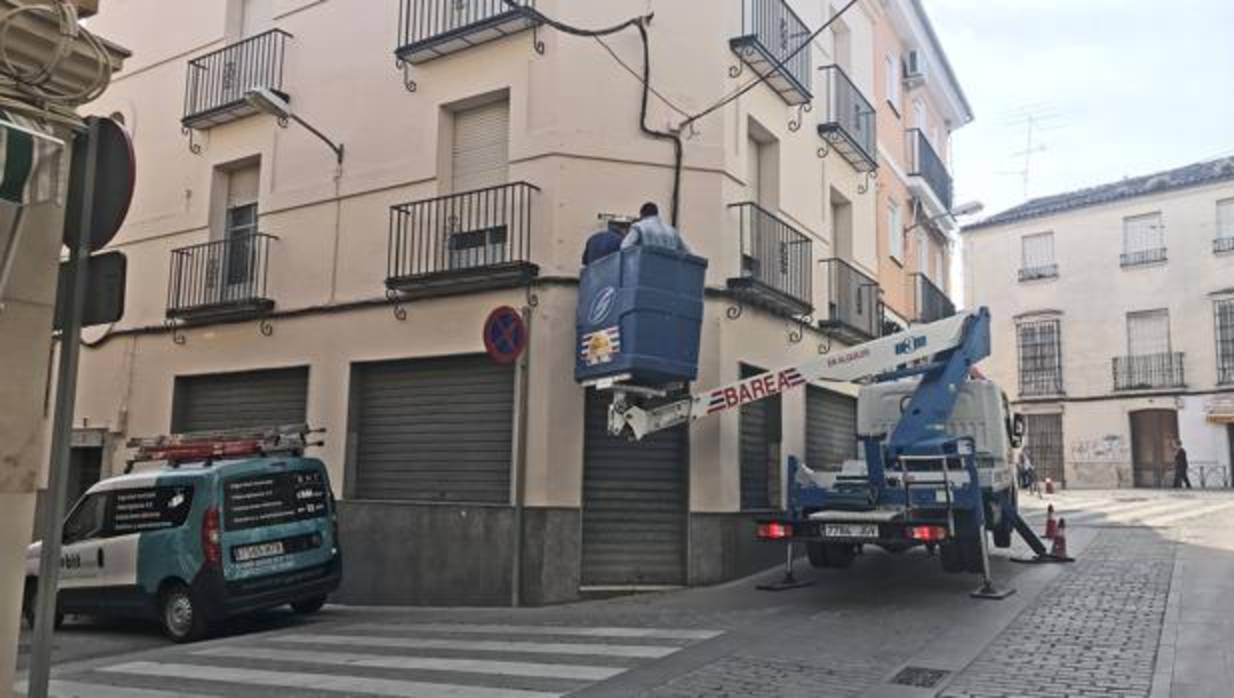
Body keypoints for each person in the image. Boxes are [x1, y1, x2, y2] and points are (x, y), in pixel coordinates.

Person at [621, 202, 691, 254]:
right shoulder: (672, 231)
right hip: (668, 271)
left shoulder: (639, 227)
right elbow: (687, 252)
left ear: (642, 215)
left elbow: (624, 247)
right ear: (656, 214)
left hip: (645, 268)